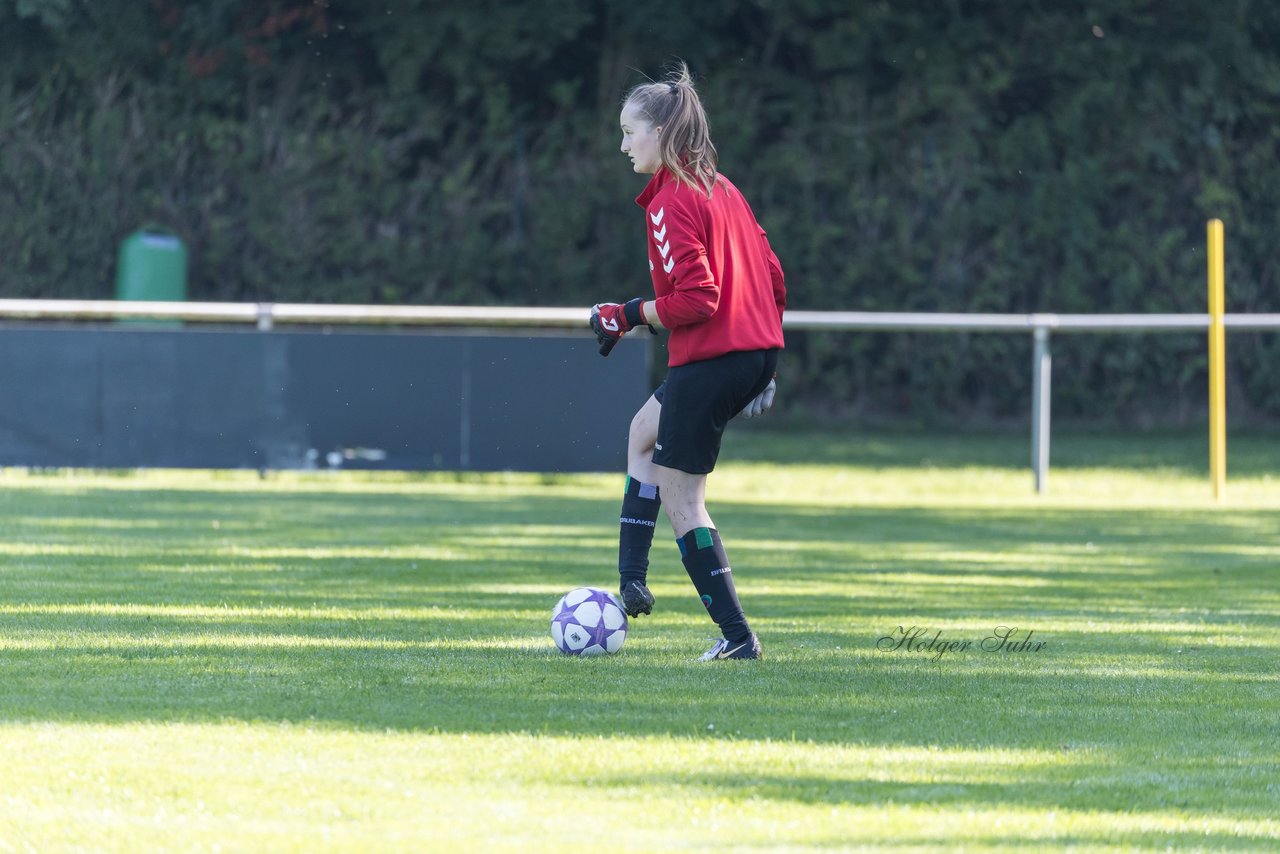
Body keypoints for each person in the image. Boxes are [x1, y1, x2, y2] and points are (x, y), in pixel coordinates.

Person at [590, 62, 786, 662]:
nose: (623, 145)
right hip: (749, 352)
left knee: (683, 498)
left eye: (630, 132)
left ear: (661, 133)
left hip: (715, 358)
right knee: (642, 433)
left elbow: (698, 300)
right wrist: (762, 361)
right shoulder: (721, 187)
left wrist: (624, 315)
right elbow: (774, 275)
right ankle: (631, 578)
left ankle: (737, 638)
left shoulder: (670, 199)